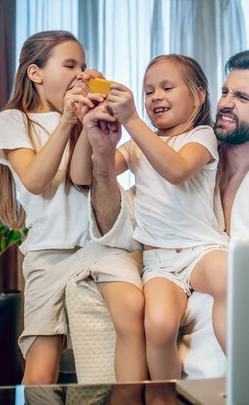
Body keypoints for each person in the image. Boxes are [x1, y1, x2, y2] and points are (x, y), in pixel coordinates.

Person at [83, 49, 249, 374]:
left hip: (221, 286)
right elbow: (135, 205)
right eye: (226, 91)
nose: (226, 102)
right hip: (165, 270)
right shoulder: (186, 145)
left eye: (242, 97)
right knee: (158, 323)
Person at [0, 30, 146, 384]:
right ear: (35, 73)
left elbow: (83, 179)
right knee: (42, 366)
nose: (80, 72)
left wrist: (89, 125)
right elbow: (35, 180)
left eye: (83, 65)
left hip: (99, 247)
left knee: (131, 309)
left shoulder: (84, 116)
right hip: (47, 254)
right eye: (69, 63)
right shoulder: (14, 120)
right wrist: (68, 121)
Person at [71, 54, 229, 380]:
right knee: (158, 325)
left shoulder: (201, 136)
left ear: (199, 96)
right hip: (160, 263)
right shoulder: (135, 146)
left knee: (229, 276)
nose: (155, 96)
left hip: (201, 250)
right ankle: (164, 396)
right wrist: (91, 133)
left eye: (167, 87)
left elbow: (176, 169)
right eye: (148, 91)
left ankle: (244, 377)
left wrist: (131, 121)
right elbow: (82, 176)